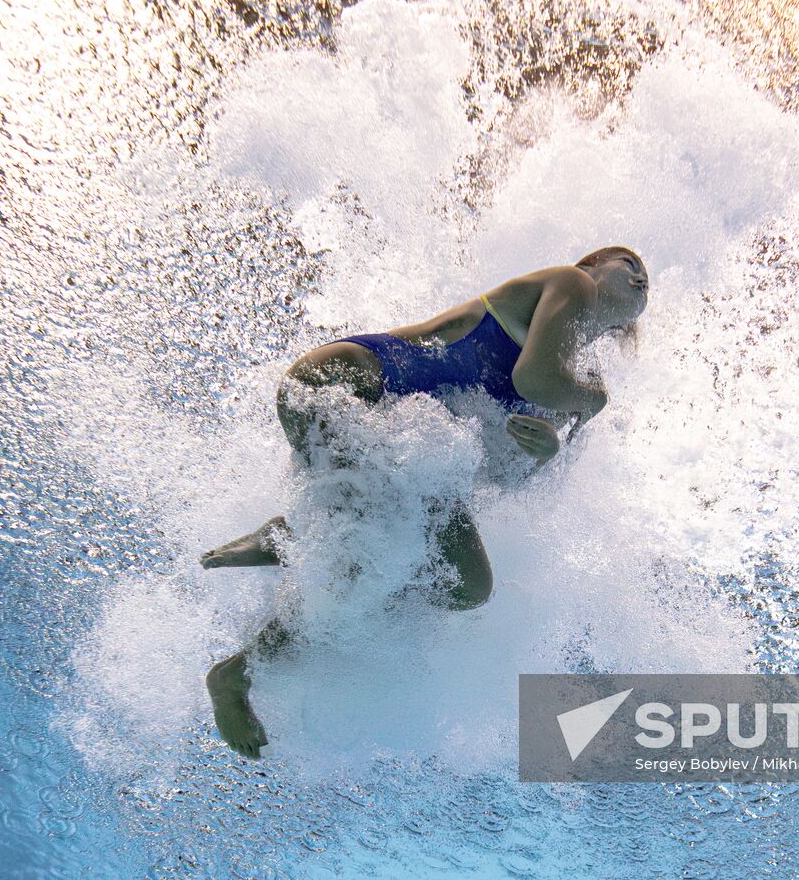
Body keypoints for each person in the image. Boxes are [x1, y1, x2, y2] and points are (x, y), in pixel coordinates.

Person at [201, 245, 649, 757]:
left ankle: (297, 541)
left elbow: (498, 479)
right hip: (345, 386)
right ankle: (240, 666)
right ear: (593, 265)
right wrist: (593, 402)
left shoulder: (570, 369)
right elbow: (533, 378)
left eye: (646, 280)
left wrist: (547, 450)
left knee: (466, 586)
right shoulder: (572, 286)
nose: (640, 279)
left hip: (399, 448)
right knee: (370, 562)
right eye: (628, 264)